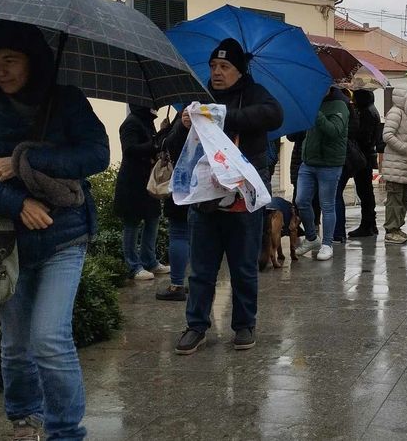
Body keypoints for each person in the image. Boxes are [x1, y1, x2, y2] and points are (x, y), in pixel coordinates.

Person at [0, 20, 111, 440]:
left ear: (33, 62)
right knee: (16, 346)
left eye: (11, 60)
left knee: (49, 339)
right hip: (6, 240)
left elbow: (97, 155)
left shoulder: (65, 101)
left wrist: (25, 162)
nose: (1, 71)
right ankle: (24, 417)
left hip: (63, 235)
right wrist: (16, 202)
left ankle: (65, 432)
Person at [172, 38, 283, 355]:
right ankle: (196, 326)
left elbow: (274, 115)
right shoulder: (198, 99)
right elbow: (172, 144)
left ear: (239, 70)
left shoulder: (255, 95)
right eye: (213, 66)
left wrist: (222, 117)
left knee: (243, 268)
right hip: (204, 202)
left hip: (241, 200)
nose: (217, 72)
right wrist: (183, 126)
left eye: (225, 67)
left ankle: (244, 324)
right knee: (202, 270)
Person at [113, 105, 168, 281]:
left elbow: (155, 144)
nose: (154, 107)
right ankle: (133, 266)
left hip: (148, 181)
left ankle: (150, 261)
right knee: (132, 223)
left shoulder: (147, 122)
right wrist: (155, 142)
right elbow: (130, 149)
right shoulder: (130, 123)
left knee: (153, 219)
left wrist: (162, 133)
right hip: (133, 182)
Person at [294, 87, 349, 260]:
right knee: (301, 200)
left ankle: (327, 243)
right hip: (308, 161)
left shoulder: (340, 105)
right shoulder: (312, 103)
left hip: (329, 163)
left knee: (327, 205)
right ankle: (311, 237)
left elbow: (334, 130)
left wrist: (315, 113)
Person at [156, 117, 191, 301]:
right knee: (196, 236)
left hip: (182, 184)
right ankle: (197, 282)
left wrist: (167, 130)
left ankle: (176, 284)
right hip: (204, 186)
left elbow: (165, 145)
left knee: (178, 233)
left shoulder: (187, 114)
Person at [382, 85, 407, 244]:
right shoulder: (396, 113)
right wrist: (404, 149)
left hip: (405, 165)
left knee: (403, 200)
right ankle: (391, 230)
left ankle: (397, 228)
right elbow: (387, 135)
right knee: (394, 200)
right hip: (395, 165)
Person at [348, 89, 381, 238]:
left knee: (364, 191)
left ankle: (367, 224)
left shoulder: (366, 113)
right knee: (367, 191)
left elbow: (364, 136)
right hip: (368, 156)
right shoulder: (373, 110)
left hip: (363, 157)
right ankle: (371, 224)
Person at [332, 89, 360, 244]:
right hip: (346, 157)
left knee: (334, 196)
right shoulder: (349, 105)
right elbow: (355, 130)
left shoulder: (335, 104)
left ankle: (336, 233)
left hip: (336, 157)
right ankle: (338, 233)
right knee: (336, 195)